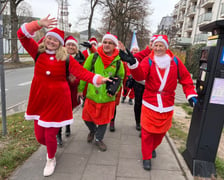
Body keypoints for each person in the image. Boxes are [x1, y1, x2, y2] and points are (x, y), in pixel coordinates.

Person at [17, 15, 110, 177]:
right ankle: (51, 149)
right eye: (49, 38)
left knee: (50, 135)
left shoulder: (65, 58)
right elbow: (22, 35)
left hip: (57, 102)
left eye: (55, 40)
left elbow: (82, 72)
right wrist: (38, 24)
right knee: (40, 137)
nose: (51, 42)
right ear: (46, 39)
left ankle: (51, 159)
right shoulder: (37, 52)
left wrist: (99, 79)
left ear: (60, 44)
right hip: (39, 101)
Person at [119, 35, 198, 171]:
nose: (157, 48)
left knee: (161, 132)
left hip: (167, 103)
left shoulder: (175, 61)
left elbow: (185, 79)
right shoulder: (148, 60)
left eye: (160, 45)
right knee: (147, 132)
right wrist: (133, 63)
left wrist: (191, 95)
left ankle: (152, 147)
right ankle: (146, 157)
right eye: (155, 45)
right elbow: (140, 75)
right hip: (150, 101)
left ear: (166, 47)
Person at [78, 33, 125, 151]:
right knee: (86, 118)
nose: (107, 45)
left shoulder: (118, 62)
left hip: (107, 97)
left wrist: (115, 91)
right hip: (92, 95)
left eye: (110, 43)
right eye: (105, 42)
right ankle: (93, 130)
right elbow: (84, 74)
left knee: (104, 121)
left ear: (114, 45)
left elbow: (120, 78)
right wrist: (80, 90)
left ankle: (99, 139)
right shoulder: (93, 57)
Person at [56, 36, 86, 146]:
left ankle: (67, 126)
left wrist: (75, 81)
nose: (71, 47)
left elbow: (83, 74)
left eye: (73, 45)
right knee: (59, 112)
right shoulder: (59, 56)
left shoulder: (81, 59)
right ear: (65, 46)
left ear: (76, 48)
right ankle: (58, 134)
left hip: (73, 89)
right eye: (68, 44)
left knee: (69, 109)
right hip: (60, 90)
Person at [132, 35, 157, 131]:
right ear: (150, 44)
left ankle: (146, 123)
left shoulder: (160, 55)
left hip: (152, 85)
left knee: (149, 105)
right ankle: (138, 122)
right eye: (152, 42)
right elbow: (133, 62)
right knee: (138, 103)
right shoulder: (141, 54)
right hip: (139, 83)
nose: (153, 44)